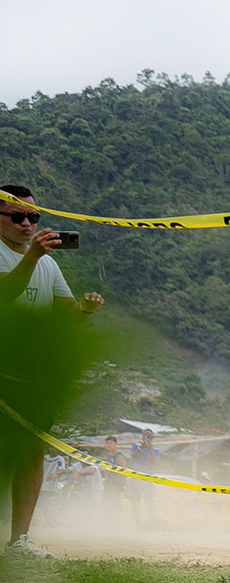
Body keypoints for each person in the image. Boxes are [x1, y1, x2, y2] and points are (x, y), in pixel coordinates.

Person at [3, 183, 105, 557]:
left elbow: (66, 319)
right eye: (17, 216)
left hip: (27, 377)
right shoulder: (29, 257)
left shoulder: (47, 263)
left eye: (33, 216)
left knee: (31, 453)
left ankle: (20, 540)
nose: (27, 223)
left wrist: (85, 310)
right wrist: (32, 256)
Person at [127, 428, 160, 526]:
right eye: (145, 435)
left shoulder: (155, 450)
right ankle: (137, 524)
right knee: (135, 501)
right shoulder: (135, 447)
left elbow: (156, 462)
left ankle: (153, 522)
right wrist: (141, 447)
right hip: (136, 478)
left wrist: (149, 449)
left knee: (150, 501)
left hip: (148, 479)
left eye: (149, 436)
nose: (147, 438)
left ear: (152, 438)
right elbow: (133, 457)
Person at [97, 433, 127, 524]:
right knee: (107, 501)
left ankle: (116, 522)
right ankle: (108, 521)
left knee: (115, 502)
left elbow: (124, 470)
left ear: (115, 444)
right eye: (107, 443)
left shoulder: (118, 455)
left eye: (110, 443)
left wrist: (123, 482)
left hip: (116, 484)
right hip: (109, 482)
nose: (108, 445)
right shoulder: (109, 455)